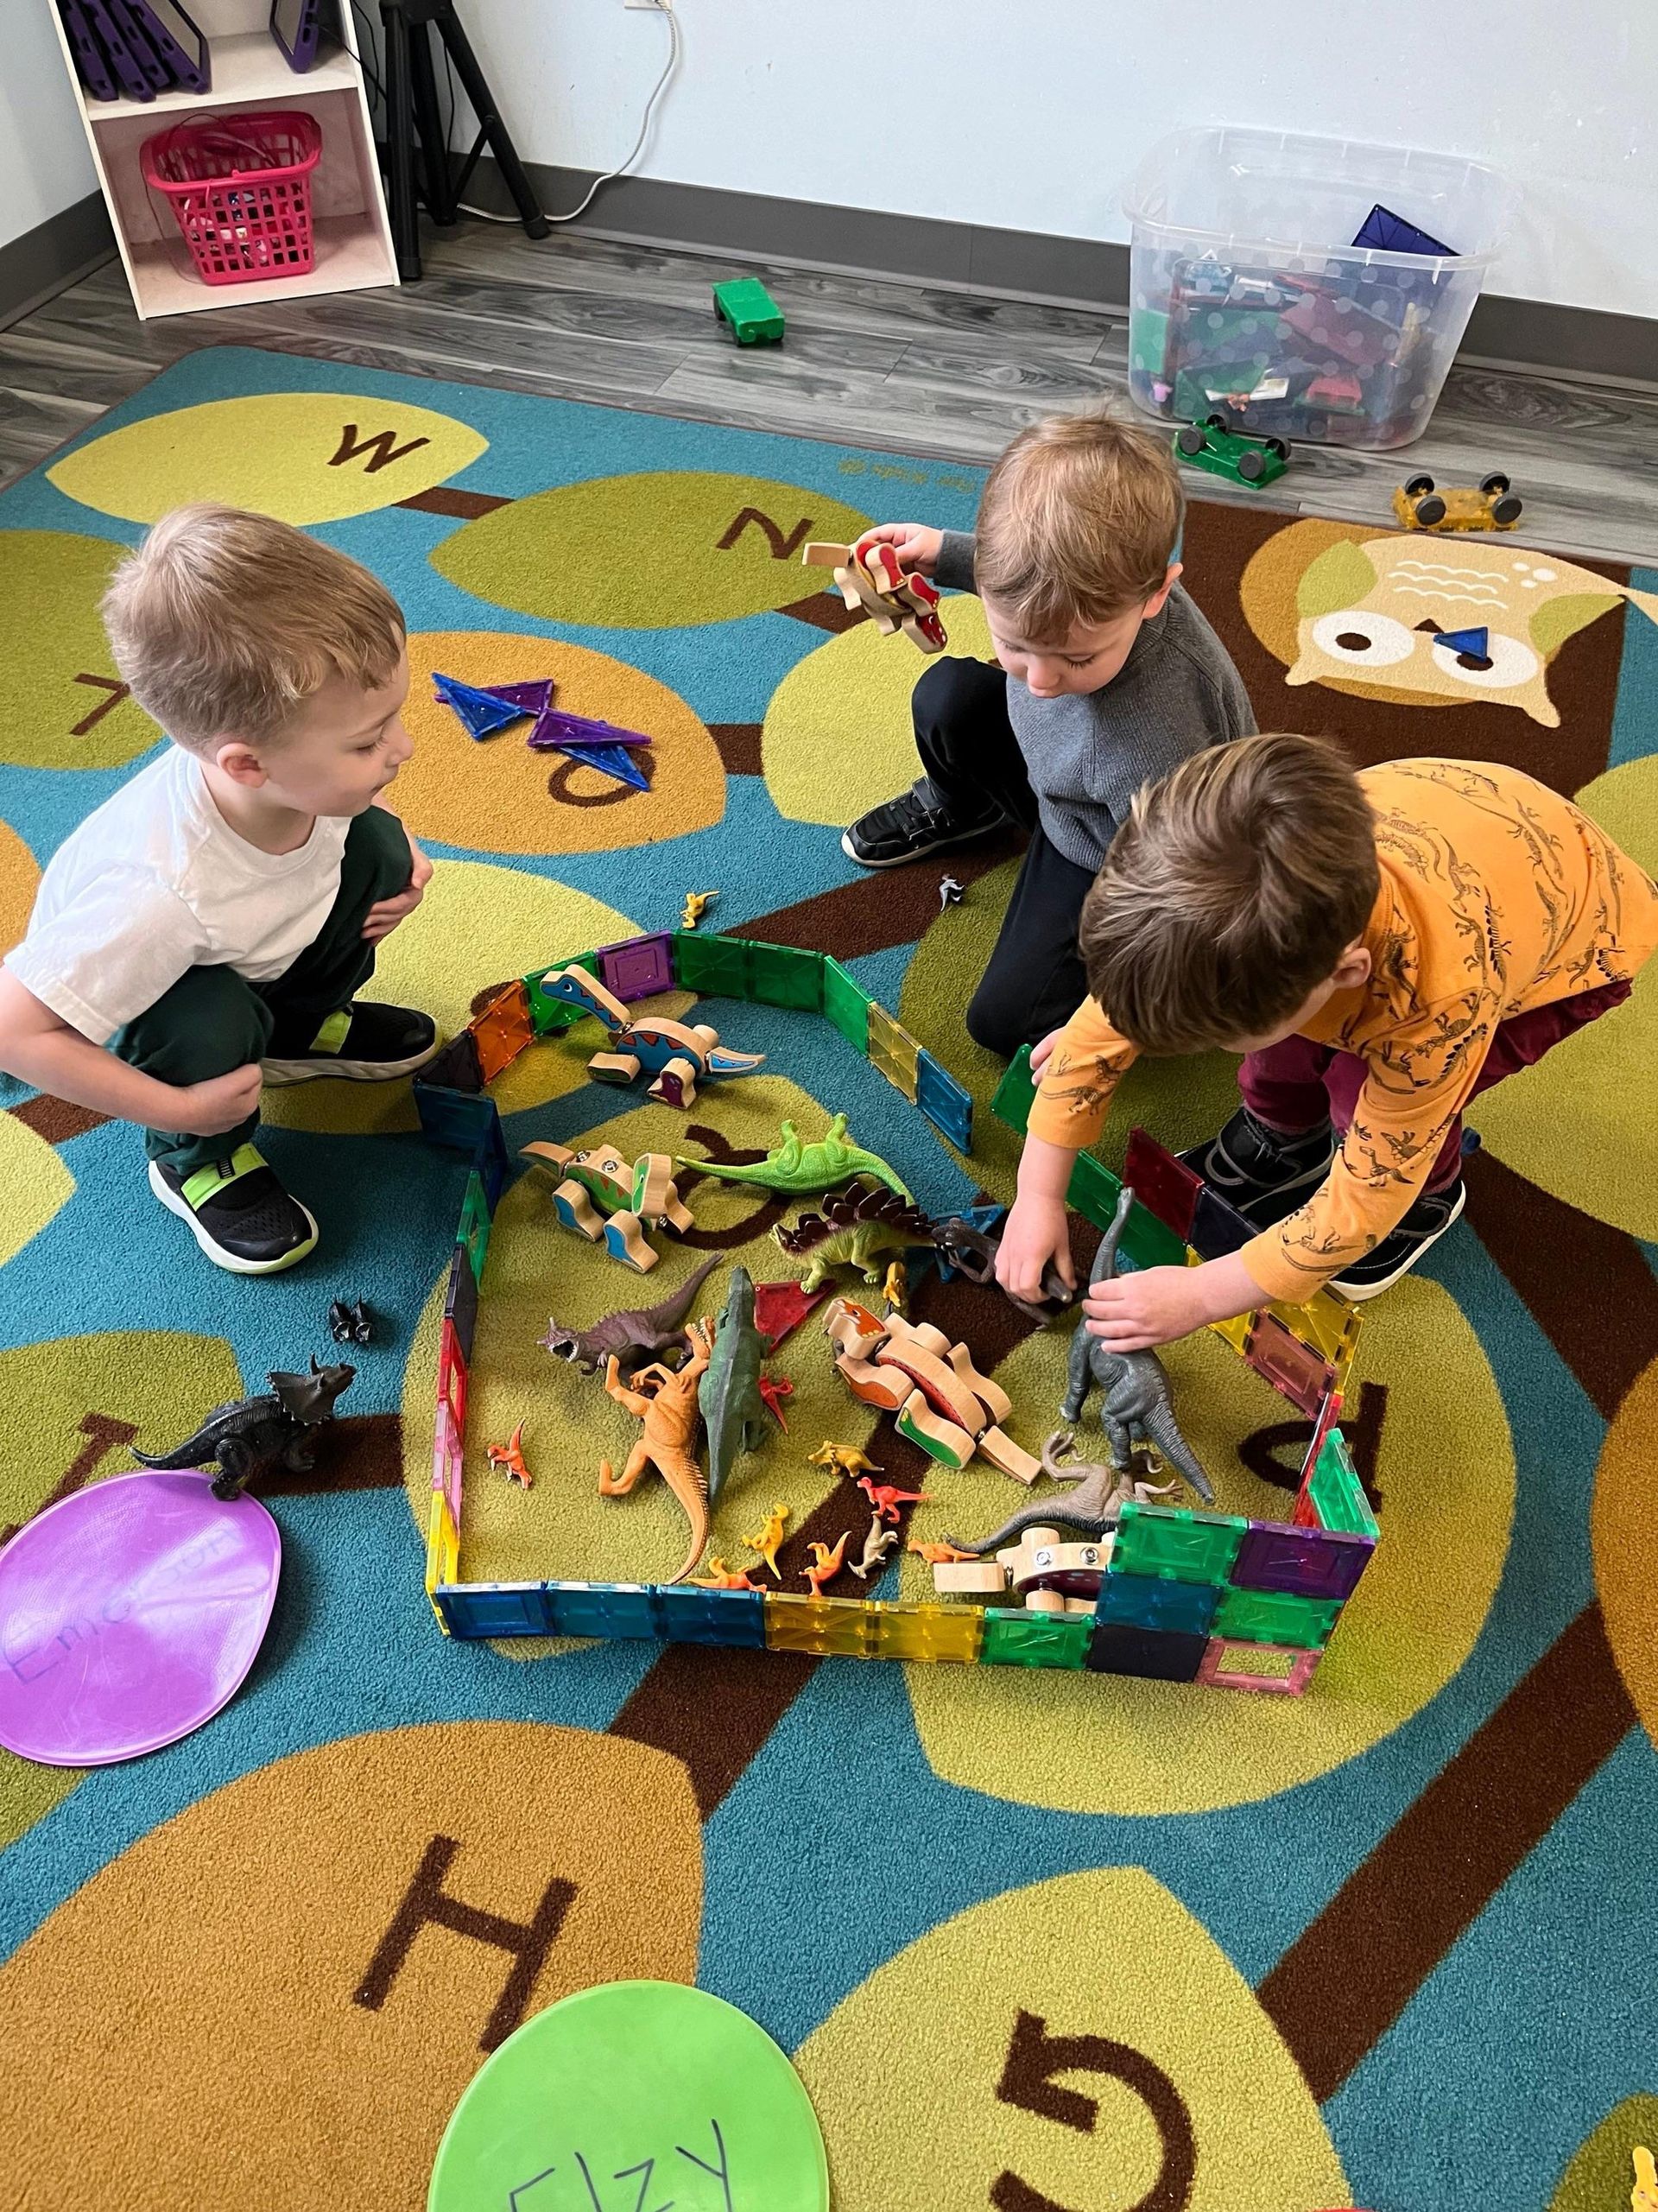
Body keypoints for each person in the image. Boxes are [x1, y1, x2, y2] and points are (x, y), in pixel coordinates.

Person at [996, 735, 1658, 1340]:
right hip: (1465, 821)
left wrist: (1202, 1294)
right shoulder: (1218, 899)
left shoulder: (1437, 1005)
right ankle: (1284, 1140)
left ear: (1343, 972)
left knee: (1362, 1097)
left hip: (1574, 946)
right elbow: (1112, 1015)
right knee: (1284, 1051)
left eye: (1221, 1035)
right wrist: (1037, 1193)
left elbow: (1367, 1192)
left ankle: (1432, 1198)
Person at [0, 504, 439, 1275]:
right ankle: (194, 1159)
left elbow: (344, 817)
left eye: (391, 719)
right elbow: (12, 1031)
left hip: (255, 938)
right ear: (246, 765)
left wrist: (402, 859)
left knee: (378, 843)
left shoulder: (287, 779)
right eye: (369, 740)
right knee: (206, 1016)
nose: (401, 747)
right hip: (156, 992)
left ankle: (295, 1030)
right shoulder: (154, 897)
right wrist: (180, 1108)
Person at [840, 409, 1256, 1054]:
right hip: (1060, 777)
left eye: (1077, 658)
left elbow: (1180, 898)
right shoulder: (1081, 589)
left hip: (1118, 851)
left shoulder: (1162, 745)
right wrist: (944, 552)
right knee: (946, 695)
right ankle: (966, 806)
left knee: (1004, 1020)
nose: (1038, 680)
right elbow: (1023, 566)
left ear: (1155, 595)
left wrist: (1114, 1020)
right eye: (1016, 645)